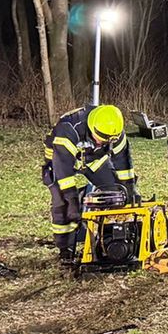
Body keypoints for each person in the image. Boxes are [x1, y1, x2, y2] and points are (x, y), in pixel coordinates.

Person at [42, 104, 135, 264]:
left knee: (114, 193)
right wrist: (71, 200)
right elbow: (63, 171)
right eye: (100, 137)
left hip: (93, 159)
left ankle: (110, 238)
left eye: (107, 140)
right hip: (58, 160)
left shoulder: (115, 132)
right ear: (91, 127)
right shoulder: (69, 128)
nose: (102, 142)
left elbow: (122, 161)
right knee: (62, 203)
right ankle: (66, 249)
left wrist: (129, 189)